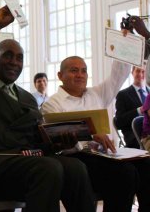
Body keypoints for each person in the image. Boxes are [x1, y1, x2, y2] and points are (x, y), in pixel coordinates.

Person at [0, 5, 95, 212]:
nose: (14, 62)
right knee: (48, 168)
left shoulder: (27, 98)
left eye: (19, 58)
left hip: (26, 163)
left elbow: (36, 142)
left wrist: (59, 142)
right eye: (7, 55)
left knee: (75, 168)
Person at [41, 55, 150, 212]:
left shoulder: (96, 94)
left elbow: (118, 75)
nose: (80, 75)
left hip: (106, 154)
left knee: (146, 166)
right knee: (125, 173)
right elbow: (56, 141)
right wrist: (91, 137)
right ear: (60, 76)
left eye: (84, 71)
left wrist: (124, 44)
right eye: (74, 70)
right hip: (76, 157)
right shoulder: (52, 104)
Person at [115, 66, 148, 148]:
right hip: (134, 137)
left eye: (143, 71)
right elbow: (118, 122)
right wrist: (139, 110)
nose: (140, 74)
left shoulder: (149, 92)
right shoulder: (122, 95)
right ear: (132, 72)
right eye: (138, 71)